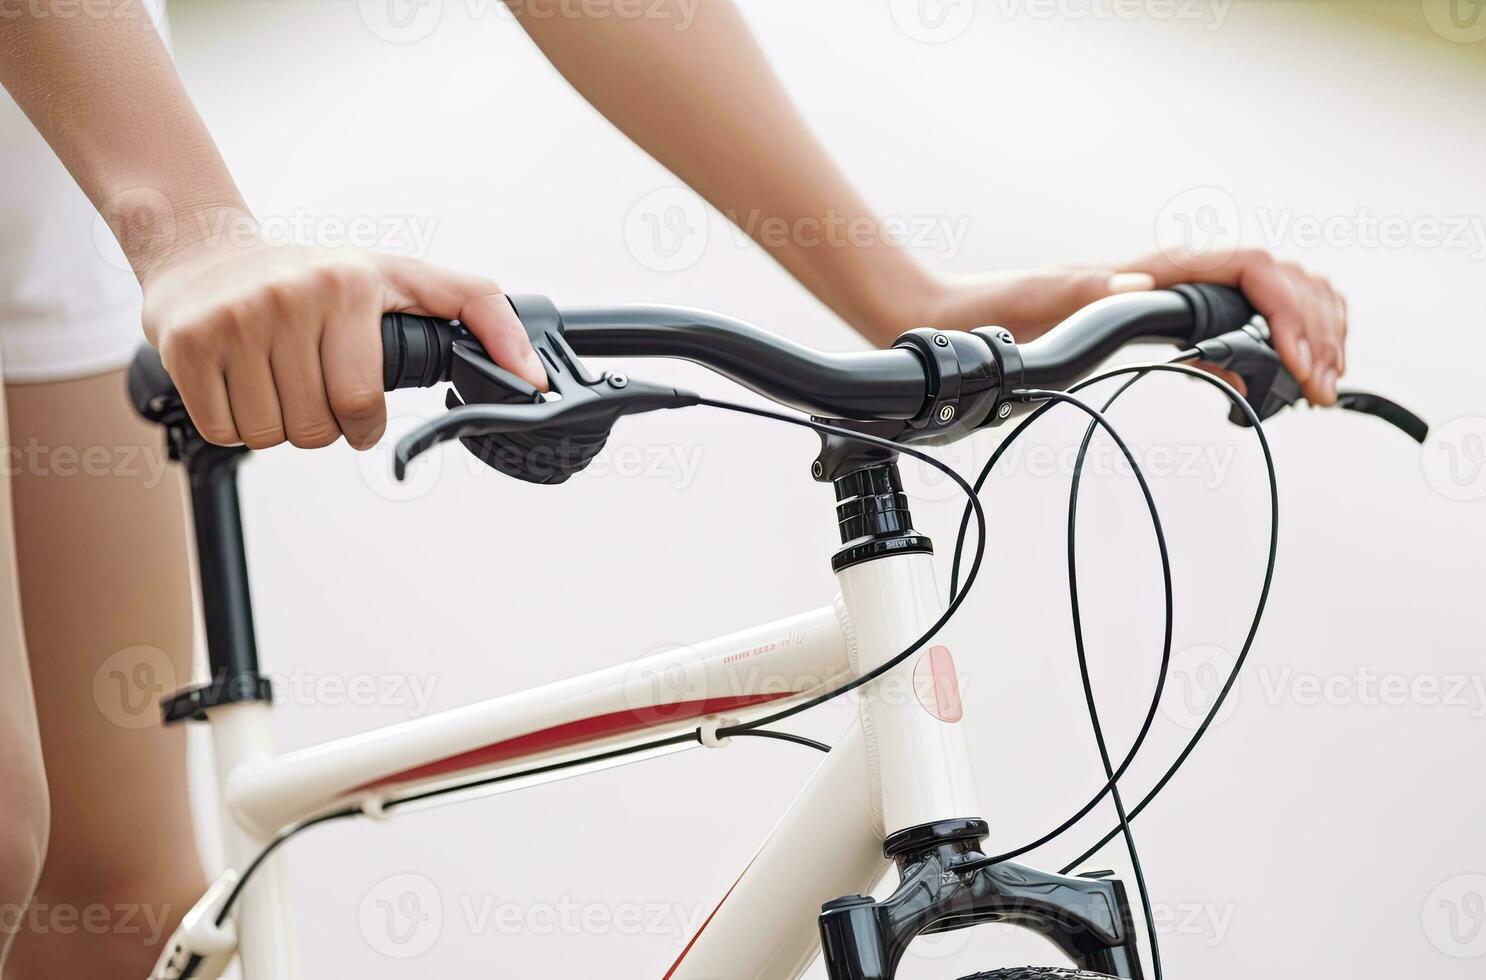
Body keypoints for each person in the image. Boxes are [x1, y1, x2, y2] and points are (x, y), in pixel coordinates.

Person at [0, 1, 1349, 974]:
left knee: (110, 910)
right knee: (11, 834)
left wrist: (907, 299)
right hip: (102, 127)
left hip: (50, 142)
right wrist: (190, 224)